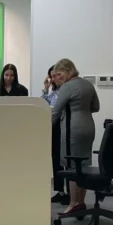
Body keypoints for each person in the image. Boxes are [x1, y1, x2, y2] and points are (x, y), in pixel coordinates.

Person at [50, 58, 100, 216]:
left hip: (72, 129)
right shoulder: (87, 84)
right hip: (88, 127)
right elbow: (96, 107)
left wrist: (45, 128)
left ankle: (72, 203)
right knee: (82, 165)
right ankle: (81, 202)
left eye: (59, 74)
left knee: (71, 166)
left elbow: (55, 111)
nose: (56, 78)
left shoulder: (67, 87)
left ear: (68, 71)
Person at [42, 66, 67, 204]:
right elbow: (44, 105)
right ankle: (60, 191)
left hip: (64, 126)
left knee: (66, 160)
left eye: (56, 75)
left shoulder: (66, 90)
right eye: (51, 76)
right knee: (56, 159)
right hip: (54, 127)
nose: (54, 79)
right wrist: (45, 89)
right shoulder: (54, 91)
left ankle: (69, 193)